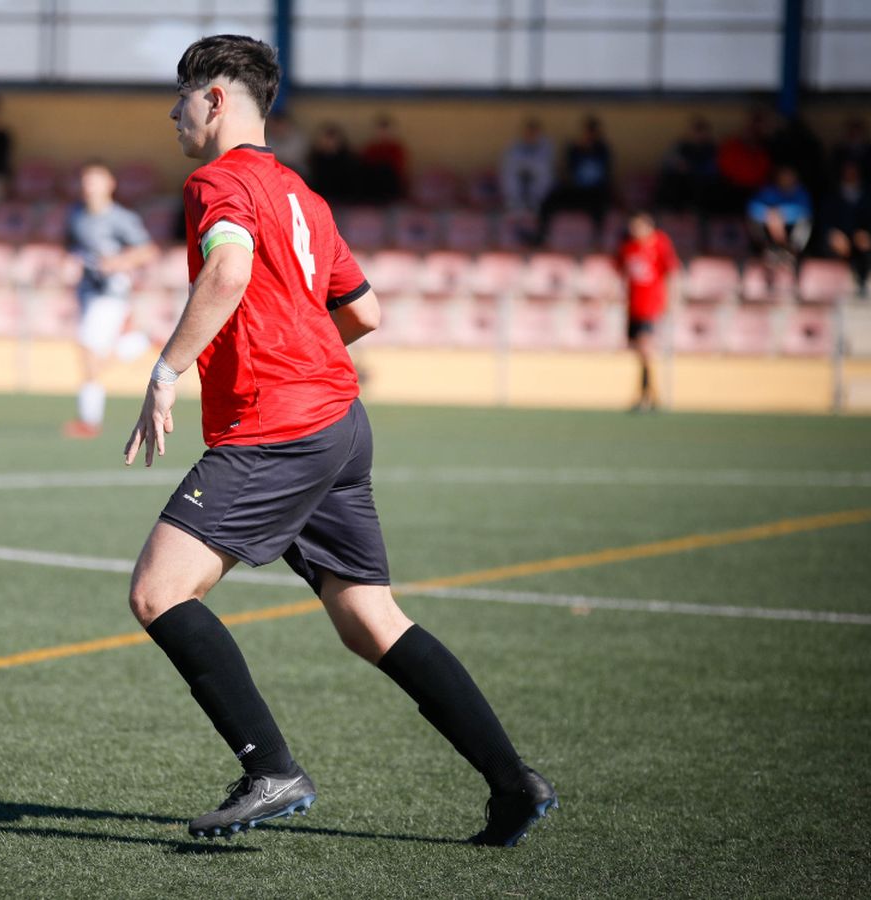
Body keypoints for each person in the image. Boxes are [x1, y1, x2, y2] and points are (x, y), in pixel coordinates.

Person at [123, 34, 555, 846]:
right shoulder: (301, 195)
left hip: (277, 425)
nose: (172, 112)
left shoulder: (217, 182)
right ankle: (513, 782)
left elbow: (227, 272)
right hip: (339, 423)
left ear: (215, 98)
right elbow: (363, 313)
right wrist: (302, 353)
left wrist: (167, 370)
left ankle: (270, 768)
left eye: (181, 96)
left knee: (159, 592)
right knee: (370, 620)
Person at [63, 161, 158, 439]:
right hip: (87, 291)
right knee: (90, 355)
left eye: (95, 181)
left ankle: (89, 420)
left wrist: (117, 263)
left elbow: (147, 250)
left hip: (110, 292)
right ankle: (136, 343)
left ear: (110, 185)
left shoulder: (120, 218)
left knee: (89, 353)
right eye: (86, 181)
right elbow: (73, 248)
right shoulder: (77, 215)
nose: (89, 187)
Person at [615, 212, 679, 413]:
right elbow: (621, 271)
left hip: (651, 306)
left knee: (645, 351)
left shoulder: (660, 244)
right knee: (639, 352)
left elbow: (671, 272)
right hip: (633, 307)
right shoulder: (628, 247)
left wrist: (669, 300)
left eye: (639, 227)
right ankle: (649, 395)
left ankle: (648, 395)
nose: (636, 231)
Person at [537, 115, 613, 246]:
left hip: (595, 193)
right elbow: (567, 172)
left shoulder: (603, 150)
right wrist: (579, 150)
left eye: (593, 132)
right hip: (576, 191)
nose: (590, 136)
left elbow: (606, 176)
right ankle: (543, 236)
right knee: (549, 200)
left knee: (600, 207)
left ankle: (597, 241)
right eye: (588, 132)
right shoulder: (574, 149)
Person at [824, 160, 871, 297]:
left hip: (859, 239)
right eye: (847, 172)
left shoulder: (869, 196)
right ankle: (833, 288)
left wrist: (868, 235)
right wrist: (832, 234)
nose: (850, 175)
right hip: (837, 241)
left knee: (864, 248)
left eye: (854, 172)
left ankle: (862, 283)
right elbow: (824, 221)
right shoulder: (832, 195)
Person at [747, 166, 814, 268]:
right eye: (783, 175)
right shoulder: (769, 191)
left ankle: (792, 252)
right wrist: (769, 215)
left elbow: (805, 210)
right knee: (754, 220)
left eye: (789, 176)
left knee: (805, 222)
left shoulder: (800, 192)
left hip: (790, 230)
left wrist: (781, 214)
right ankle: (767, 250)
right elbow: (752, 207)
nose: (786, 179)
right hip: (770, 230)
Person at [654, 116, 718, 214]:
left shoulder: (711, 149)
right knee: (671, 182)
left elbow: (712, 170)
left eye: (701, 132)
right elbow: (667, 163)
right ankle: (670, 213)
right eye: (696, 131)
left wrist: (693, 168)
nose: (698, 135)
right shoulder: (681, 146)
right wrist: (678, 165)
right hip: (680, 182)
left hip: (701, 183)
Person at [717, 111, 774, 215]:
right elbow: (724, 166)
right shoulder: (733, 145)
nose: (756, 129)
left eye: (760, 125)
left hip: (757, 189)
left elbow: (765, 171)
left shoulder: (766, 147)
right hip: (734, 187)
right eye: (753, 126)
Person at [499, 117, 554, 215]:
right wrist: (524, 167)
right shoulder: (516, 144)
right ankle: (515, 204)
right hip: (521, 175)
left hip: (537, 176)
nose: (531, 134)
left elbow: (545, 162)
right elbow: (510, 161)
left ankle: (536, 203)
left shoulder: (546, 144)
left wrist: (528, 166)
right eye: (528, 131)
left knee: (544, 172)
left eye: (534, 131)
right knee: (508, 172)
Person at [828, 117, 871, 197]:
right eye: (852, 134)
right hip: (842, 194)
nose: (855, 137)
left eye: (858, 133)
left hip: (868, 193)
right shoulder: (838, 153)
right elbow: (833, 176)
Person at [359, 115, 408, 204]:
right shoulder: (371, 149)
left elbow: (397, 171)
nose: (383, 134)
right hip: (371, 191)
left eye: (385, 131)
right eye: (380, 131)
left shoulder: (396, 150)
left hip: (391, 192)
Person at [306, 123, 358, 206]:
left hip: (343, 200)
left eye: (332, 139)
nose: (330, 142)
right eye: (327, 139)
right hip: (321, 199)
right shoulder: (316, 158)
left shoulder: (347, 158)